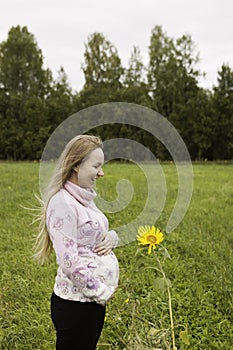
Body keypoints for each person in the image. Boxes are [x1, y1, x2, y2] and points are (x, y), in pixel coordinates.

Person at [34, 135, 119, 350]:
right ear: (76, 165)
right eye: (96, 166)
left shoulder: (84, 198)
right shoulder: (63, 203)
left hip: (88, 304)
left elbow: (94, 234)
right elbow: (69, 261)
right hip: (76, 305)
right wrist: (101, 291)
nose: (101, 173)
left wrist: (111, 238)